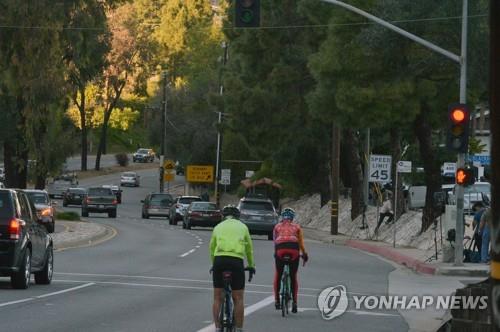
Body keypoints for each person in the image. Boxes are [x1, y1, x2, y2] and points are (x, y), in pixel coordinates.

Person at [209, 205, 255, 332]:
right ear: (237, 216)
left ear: (224, 216)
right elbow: (249, 249)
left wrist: (214, 264)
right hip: (236, 261)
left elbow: (212, 247)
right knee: (238, 298)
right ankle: (239, 329)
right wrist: (251, 265)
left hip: (219, 260)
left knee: (217, 297)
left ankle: (217, 327)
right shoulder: (243, 226)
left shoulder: (218, 227)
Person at [273, 207, 308, 313]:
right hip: (293, 249)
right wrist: (305, 254)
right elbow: (301, 243)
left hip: (280, 249)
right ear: (292, 218)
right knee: (293, 276)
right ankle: (295, 303)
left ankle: (277, 301)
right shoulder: (297, 227)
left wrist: (276, 253)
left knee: (278, 274)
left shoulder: (277, 226)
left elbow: (275, 242)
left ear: (282, 217)